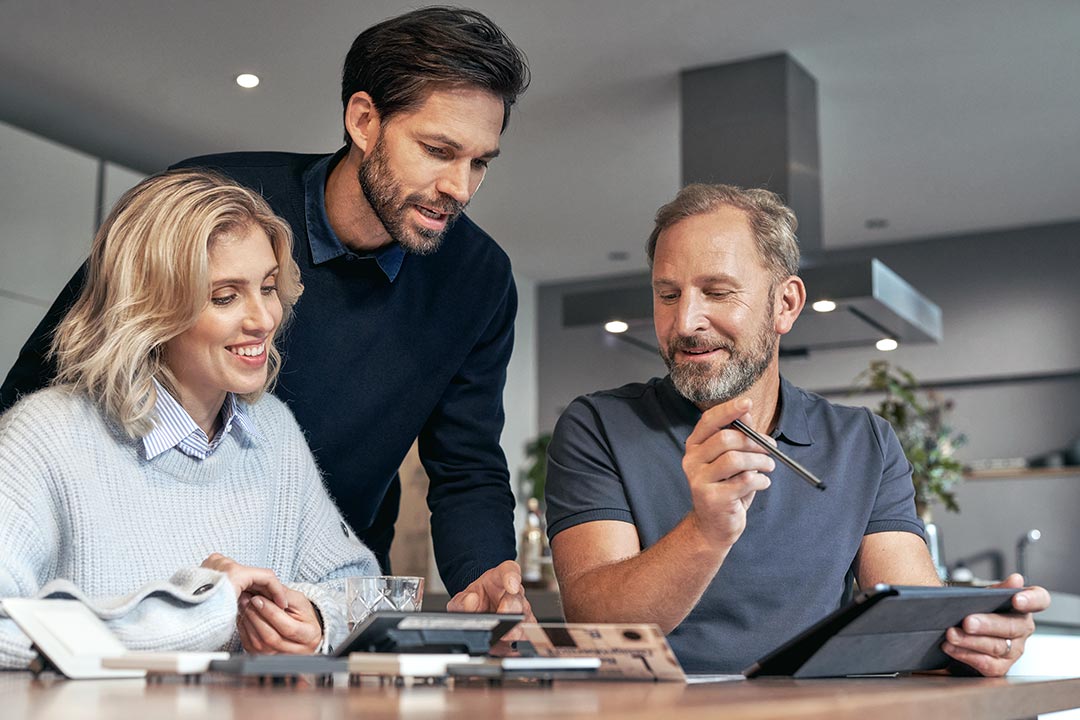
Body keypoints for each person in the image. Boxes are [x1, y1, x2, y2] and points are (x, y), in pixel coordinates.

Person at [0, 7, 531, 615]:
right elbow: (52, 373)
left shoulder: (478, 280)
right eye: (439, 150)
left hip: (314, 593)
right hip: (127, 584)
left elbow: (466, 464)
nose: (460, 187)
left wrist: (484, 581)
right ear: (364, 120)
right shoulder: (213, 206)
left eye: (480, 162)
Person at [544, 183, 1050, 675]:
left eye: (717, 292)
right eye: (668, 294)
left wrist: (977, 637)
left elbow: (909, 625)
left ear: (785, 304)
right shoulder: (598, 426)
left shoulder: (863, 443)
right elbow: (596, 625)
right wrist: (705, 531)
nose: (685, 322)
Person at [0, 170, 380, 669]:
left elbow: (367, 592)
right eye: (225, 296)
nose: (264, 319)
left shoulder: (273, 431)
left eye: (267, 287)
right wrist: (195, 611)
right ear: (148, 307)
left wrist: (313, 618)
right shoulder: (47, 436)